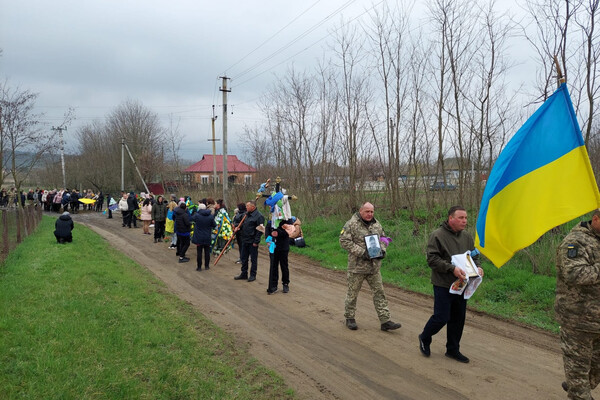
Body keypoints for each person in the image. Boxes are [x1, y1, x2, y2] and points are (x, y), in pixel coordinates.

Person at [418, 206, 484, 363]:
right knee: (441, 317)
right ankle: (425, 337)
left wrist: (478, 267)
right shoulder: (437, 235)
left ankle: (453, 350)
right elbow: (432, 259)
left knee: (458, 318)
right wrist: (451, 269)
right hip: (443, 283)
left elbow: (474, 255)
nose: (464, 221)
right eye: (461, 218)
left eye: (466, 218)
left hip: (462, 284)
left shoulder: (467, 237)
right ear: (450, 218)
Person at [555, 209, 600, 399]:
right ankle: (577, 388)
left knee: (595, 370)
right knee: (579, 373)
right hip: (578, 319)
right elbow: (575, 274)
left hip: (597, 321)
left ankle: (576, 384)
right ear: (596, 219)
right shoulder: (575, 242)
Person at [339, 202, 402, 332]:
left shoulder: (376, 224)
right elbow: (344, 241)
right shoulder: (351, 224)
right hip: (357, 267)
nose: (370, 214)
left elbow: (384, 238)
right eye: (367, 211)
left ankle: (385, 321)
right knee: (352, 294)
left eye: (372, 212)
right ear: (361, 211)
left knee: (380, 293)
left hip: (374, 267)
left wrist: (382, 250)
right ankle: (350, 318)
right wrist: (363, 253)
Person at [234, 200, 265, 282]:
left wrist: (256, 241)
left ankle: (252, 275)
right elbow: (243, 224)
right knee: (244, 258)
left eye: (248, 206)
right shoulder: (246, 215)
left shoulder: (259, 216)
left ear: (253, 207)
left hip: (252, 241)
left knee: (253, 259)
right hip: (244, 239)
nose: (246, 207)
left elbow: (260, 231)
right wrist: (238, 227)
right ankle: (244, 273)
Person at [266, 219, 292, 294]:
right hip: (273, 246)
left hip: (283, 246)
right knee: (273, 265)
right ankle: (274, 285)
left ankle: (285, 283)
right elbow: (267, 228)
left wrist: (278, 233)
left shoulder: (287, 218)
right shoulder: (272, 216)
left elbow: (288, 231)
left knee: (284, 266)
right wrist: (267, 239)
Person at [191, 203, 217, 271]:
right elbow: (214, 225)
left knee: (199, 252)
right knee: (207, 252)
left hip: (199, 236)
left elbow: (191, 219)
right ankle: (207, 266)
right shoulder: (210, 216)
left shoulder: (197, 215)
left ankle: (199, 267)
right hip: (207, 236)